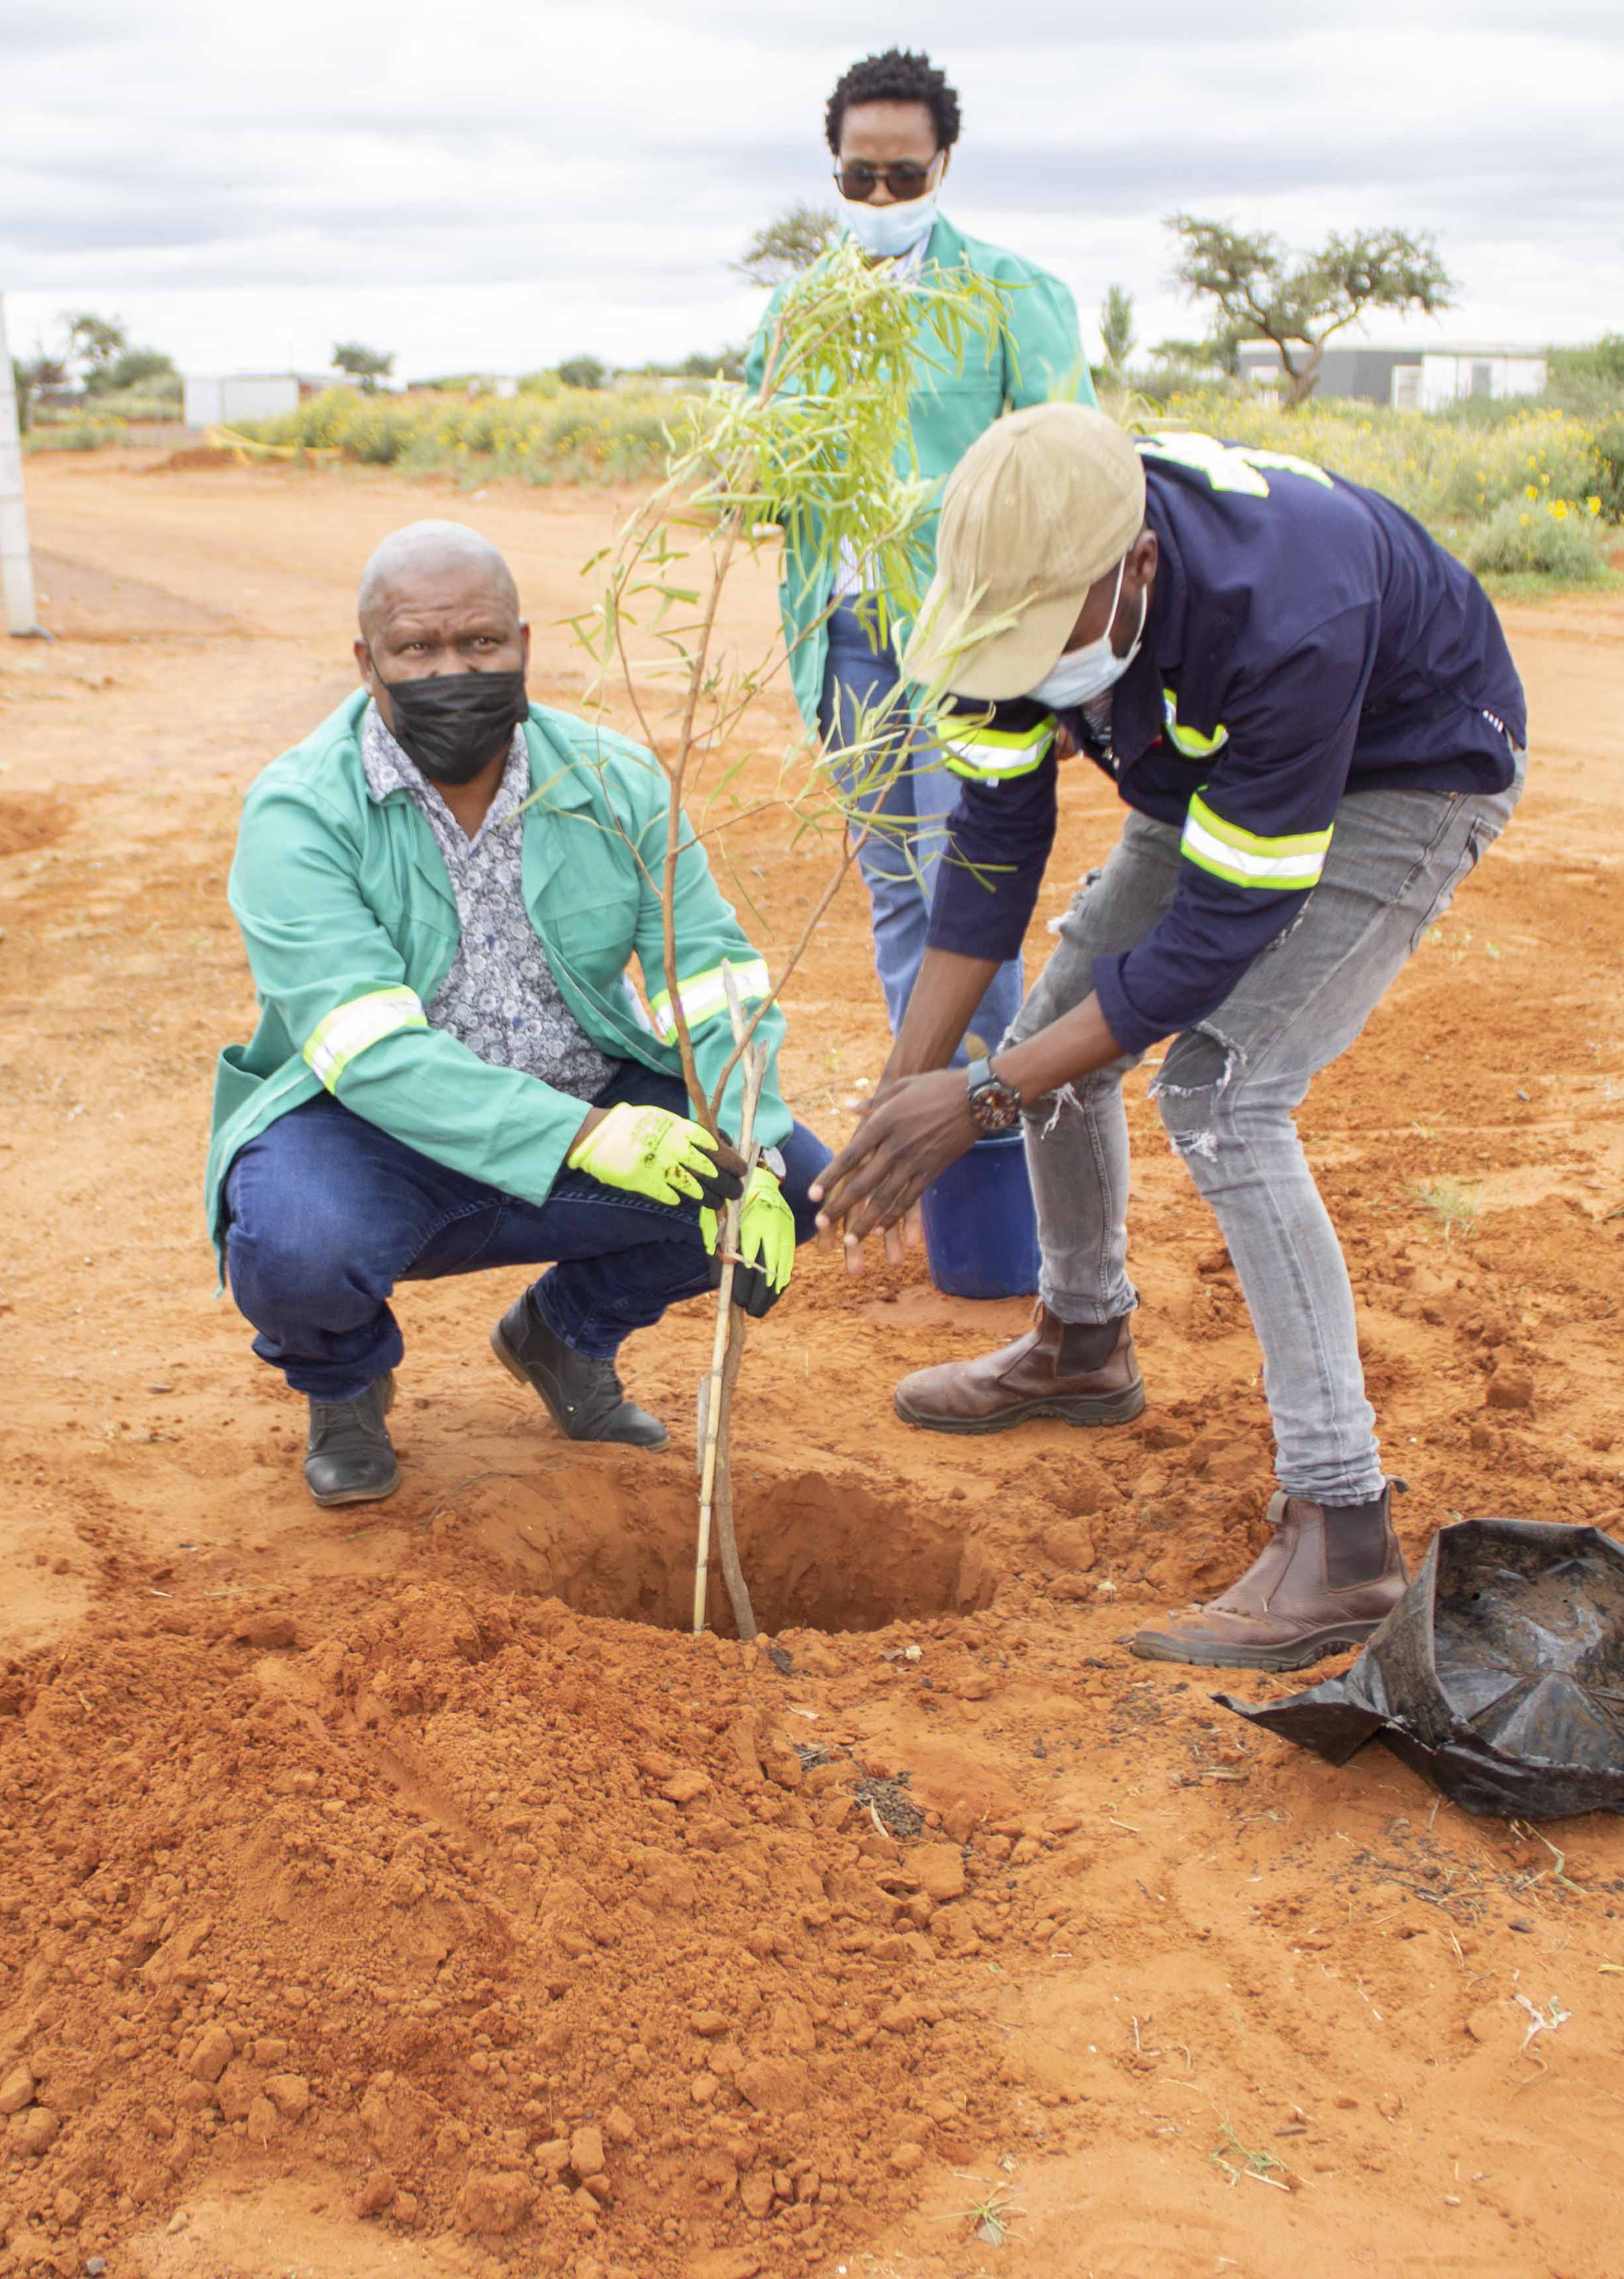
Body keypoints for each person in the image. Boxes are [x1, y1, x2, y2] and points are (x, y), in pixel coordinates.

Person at [814, 405, 1525, 1672]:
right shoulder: (992, 600)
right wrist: (904, 1088)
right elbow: (989, 857)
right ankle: (1082, 1342)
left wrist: (977, 1101)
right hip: (1217, 775)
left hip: (1404, 765)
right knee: (1049, 1056)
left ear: (1136, 567)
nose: (1027, 672)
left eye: (1051, 641)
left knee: (1222, 1094)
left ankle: (1344, 1534)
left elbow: (1213, 940)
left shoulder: (1291, 607)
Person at [208, 522, 824, 1507]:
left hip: (588, 1095)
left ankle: (563, 1335)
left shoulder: (615, 784)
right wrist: (583, 1139)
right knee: (296, 1244)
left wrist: (757, 1137)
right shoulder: (300, 812)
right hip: (376, 1135)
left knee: (789, 1188)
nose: (453, 669)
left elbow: (711, 978)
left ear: (525, 645)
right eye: (418, 649)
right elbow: (370, 1054)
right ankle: (347, 1385)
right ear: (368, 664)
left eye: (481, 644)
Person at [755, 47, 1090, 1062]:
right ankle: (925, 1120)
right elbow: (767, 472)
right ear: (836, 173)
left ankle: (980, 1137)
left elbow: (1073, 482)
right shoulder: (796, 313)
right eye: (862, 177)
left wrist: (1064, 672)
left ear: (944, 164)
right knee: (897, 892)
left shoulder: (1009, 295)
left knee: (968, 892)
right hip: (844, 644)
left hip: (971, 642)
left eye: (905, 174)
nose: (883, 194)